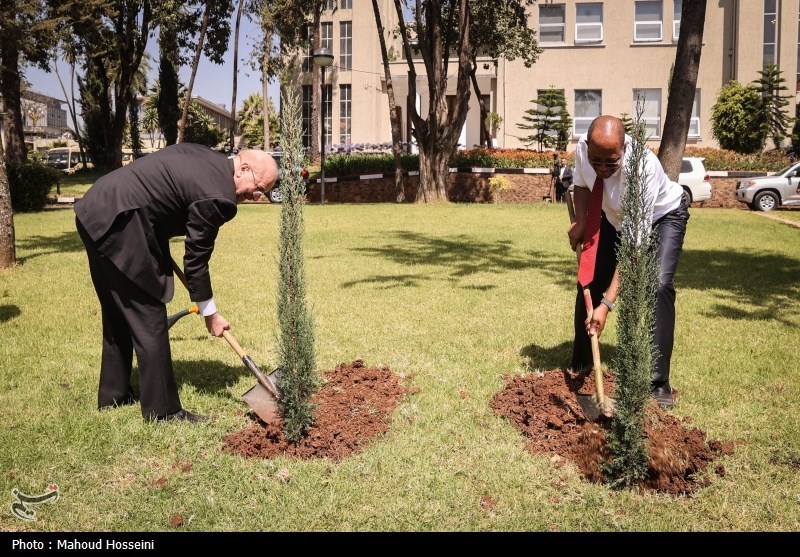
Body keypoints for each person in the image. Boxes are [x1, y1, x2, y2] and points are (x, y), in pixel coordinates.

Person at [75, 144, 278, 423]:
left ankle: (114, 396)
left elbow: (163, 192)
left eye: (263, 193)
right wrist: (211, 314)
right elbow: (195, 261)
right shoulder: (219, 196)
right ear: (243, 169)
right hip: (121, 222)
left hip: (96, 209)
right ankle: (164, 412)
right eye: (259, 187)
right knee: (149, 315)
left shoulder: (208, 158)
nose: (256, 196)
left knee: (118, 313)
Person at [567, 115, 689, 409]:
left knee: (658, 286)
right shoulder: (585, 150)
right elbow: (582, 184)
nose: (603, 169)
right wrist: (582, 222)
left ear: (625, 147)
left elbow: (634, 249)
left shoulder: (642, 168)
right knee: (591, 276)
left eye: (611, 162)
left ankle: (658, 382)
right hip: (612, 217)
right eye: (597, 161)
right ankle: (582, 359)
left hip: (662, 217)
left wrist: (607, 304)